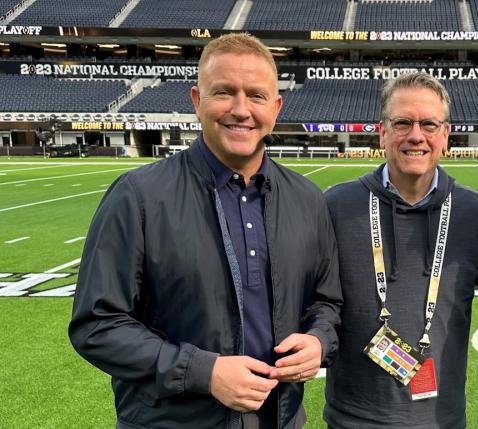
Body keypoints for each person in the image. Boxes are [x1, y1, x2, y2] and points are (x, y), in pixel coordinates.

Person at [69, 33, 342, 429]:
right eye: (224, 92)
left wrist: (318, 340)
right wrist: (203, 372)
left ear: (276, 107)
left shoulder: (307, 199)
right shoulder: (138, 197)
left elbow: (327, 302)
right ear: (197, 101)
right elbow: (97, 324)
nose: (240, 109)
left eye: (256, 95)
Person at [323, 71, 478, 429]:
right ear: (383, 132)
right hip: (352, 421)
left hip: (440, 421)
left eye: (429, 124)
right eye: (403, 122)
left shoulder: (474, 214)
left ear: (445, 135)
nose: (416, 135)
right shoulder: (336, 206)